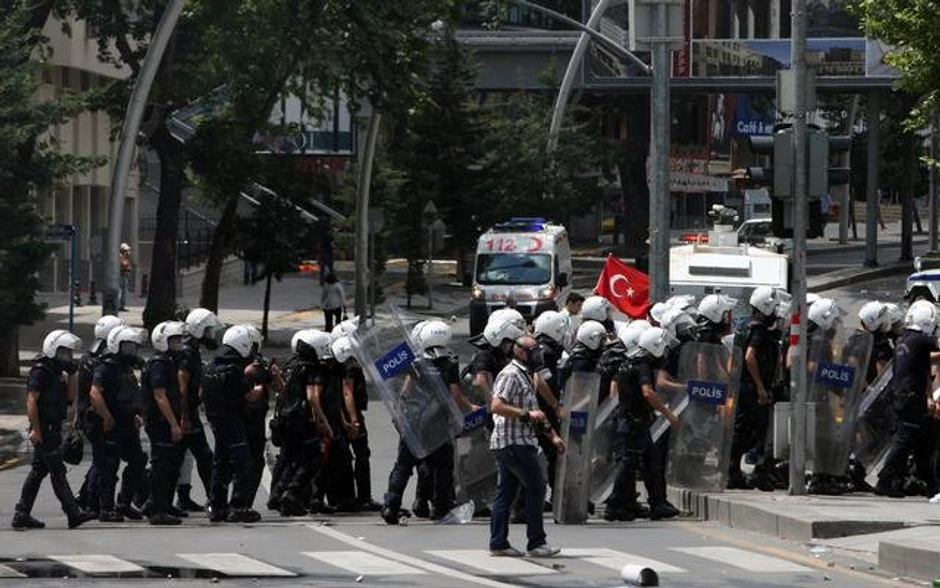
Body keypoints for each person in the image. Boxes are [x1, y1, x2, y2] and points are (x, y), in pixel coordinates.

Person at [488, 335, 565, 558]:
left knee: (507, 493)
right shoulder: (510, 374)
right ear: (520, 352)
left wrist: (553, 437)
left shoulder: (528, 375)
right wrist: (525, 414)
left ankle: (498, 543)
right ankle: (536, 542)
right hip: (512, 442)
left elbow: (536, 413)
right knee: (537, 486)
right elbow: (497, 405)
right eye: (533, 352)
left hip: (520, 441)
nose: (537, 356)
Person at [11, 330, 96, 530]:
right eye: (63, 353)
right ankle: (73, 513)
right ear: (52, 349)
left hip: (53, 428)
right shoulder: (41, 371)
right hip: (44, 429)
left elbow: (69, 398)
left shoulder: (57, 373)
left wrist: (73, 374)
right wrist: (36, 430)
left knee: (39, 470)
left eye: (69, 353)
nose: (67, 357)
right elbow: (32, 401)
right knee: (58, 471)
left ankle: (22, 513)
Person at [606, 327, 680, 521]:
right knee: (629, 464)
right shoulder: (642, 366)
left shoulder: (628, 362)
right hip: (633, 423)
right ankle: (615, 505)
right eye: (662, 348)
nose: (664, 353)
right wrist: (667, 413)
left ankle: (658, 503)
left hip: (634, 420)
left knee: (651, 462)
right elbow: (647, 392)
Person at [875, 301, 940, 498]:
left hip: (905, 396)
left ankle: (929, 483)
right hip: (910, 397)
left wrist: (928, 396)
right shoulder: (921, 340)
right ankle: (885, 480)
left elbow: (925, 363)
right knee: (904, 441)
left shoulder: (906, 338)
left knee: (923, 441)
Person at [202, 326, 264, 522]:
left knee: (220, 463)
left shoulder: (211, 365)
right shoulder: (234, 370)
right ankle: (238, 506)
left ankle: (216, 505)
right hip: (233, 420)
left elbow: (202, 395)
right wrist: (261, 383)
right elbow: (251, 396)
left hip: (216, 421)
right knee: (242, 462)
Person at [268, 329, 333, 516]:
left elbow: (281, 391)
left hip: (285, 418)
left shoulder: (291, 365)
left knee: (291, 458)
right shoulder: (312, 368)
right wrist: (324, 422)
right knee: (314, 457)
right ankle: (291, 494)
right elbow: (313, 398)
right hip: (301, 419)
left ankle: (278, 494)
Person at [88, 325, 149, 522]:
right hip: (112, 424)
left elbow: (132, 394)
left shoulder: (127, 368)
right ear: (116, 346)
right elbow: (95, 393)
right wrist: (106, 417)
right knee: (109, 466)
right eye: (127, 347)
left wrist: (137, 414)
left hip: (128, 423)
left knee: (138, 460)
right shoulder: (106, 367)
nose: (131, 351)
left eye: (133, 347)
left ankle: (123, 503)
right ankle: (106, 508)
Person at [728, 286, 784, 490]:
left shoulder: (745, 325)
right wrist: (760, 387)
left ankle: (733, 470)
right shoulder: (758, 328)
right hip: (752, 388)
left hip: (745, 386)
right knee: (757, 430)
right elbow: (750, 357)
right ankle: (744, 471)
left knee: (745, 430)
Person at [75, 316, 125, 512]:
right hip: (96, 417)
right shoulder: (98, 362)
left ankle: (85, 495)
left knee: (100, 460)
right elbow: (92, 393)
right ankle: (91, 500)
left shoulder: (87, 359)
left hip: (89, 414)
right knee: (102, 461)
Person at [173, 308, 220, 513]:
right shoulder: (187, 351)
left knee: (179, 458)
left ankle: (181, 498)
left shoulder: (192, 348)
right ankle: (215, 499)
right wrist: (184, 416)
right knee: (203, 456)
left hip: (188, 411)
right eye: (209, 330)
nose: (211, 334)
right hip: (186, 413)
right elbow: (182, 386)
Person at [143, 322, 187, 525]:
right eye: (174, 340)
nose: (179, 344)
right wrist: (173, 424)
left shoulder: (169, 362)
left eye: (179, 339)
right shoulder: (159, 364)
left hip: (167, 421)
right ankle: (157, 510)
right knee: (161, 466)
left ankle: (163, 504)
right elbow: (160, 396)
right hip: (160, 423)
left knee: (170, 465)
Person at [118, 243, 132, 311]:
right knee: (120, 291)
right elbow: (124, 264)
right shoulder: (120, 256)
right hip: (121, 275)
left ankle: (122, 305)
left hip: (124, 275)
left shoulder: (124, 257)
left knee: (124, 292)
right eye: (126, 250)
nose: (128, 252)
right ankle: (118, 305)